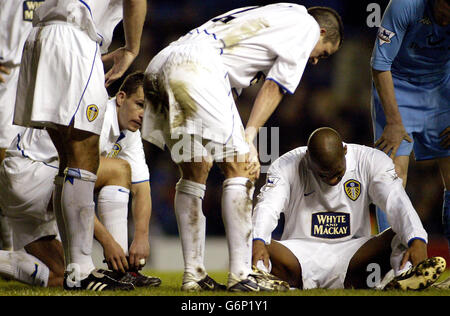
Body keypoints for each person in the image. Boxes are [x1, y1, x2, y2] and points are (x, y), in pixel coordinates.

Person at [141, 3, 343, 291]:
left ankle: (194, 275)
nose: (315, 61)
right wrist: (249, 136)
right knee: (242, 167)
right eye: (322, 53)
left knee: (194, 169)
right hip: (198, 68)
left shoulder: (272, 13)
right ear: (321, 31)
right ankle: (240, 275)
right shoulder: (306, 27)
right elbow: (274, 87)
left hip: (163, 63)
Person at [12, 0, 147, 290]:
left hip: (41, 35)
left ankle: (78, 270)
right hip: (74, 38)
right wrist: (132, 48)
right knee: (84, 158)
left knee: (68, 159)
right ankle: (82, 268)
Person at [0, 72, 160, 290]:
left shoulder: (129, 133)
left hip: (28, 192)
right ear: (121, 98)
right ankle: (121, 272)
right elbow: (72, 183)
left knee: (62, 276)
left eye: (149, 111)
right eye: (140, 104)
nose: (143, 115)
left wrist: (141, 236)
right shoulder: (96, 115)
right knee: (120, 170)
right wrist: (108, 242)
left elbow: (142, 189)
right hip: (29, 174)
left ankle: (4, 260)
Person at [251, 127, 446, 290]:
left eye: (338, 173)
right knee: (248, 238)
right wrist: (258, 239)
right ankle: (260, 280)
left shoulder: (371, 160)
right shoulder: (286, 165)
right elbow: (268, 206)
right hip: (298, 257)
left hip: (354, 256)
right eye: (324, 175)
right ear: (308, 162)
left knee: (402, 236)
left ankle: (404, 278)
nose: (333, 180)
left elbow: (396, 201)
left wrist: (417, 239)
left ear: (345, 151)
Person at [370, 0, 450, 288]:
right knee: (391, 178)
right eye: (444, 11)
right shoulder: (405, 5)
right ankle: (395, 268)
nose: (446, 19)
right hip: (397, 88)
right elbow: (380, 65)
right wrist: (393, 121)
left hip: (442, 90)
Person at [0, 0, 46, 252]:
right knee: (5, 160)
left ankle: (32, 244)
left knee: (39, 159)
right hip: (9, 74)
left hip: (42, 74)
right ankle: (9, 245)